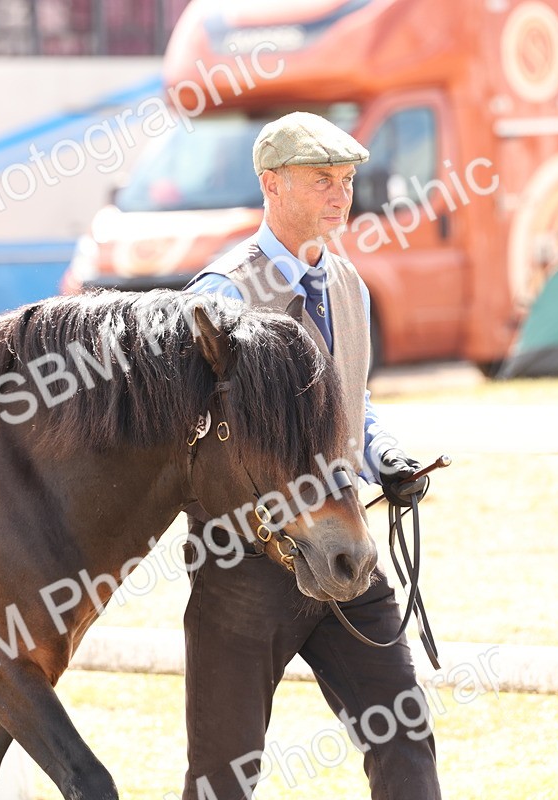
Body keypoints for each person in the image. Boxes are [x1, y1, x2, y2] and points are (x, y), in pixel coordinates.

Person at [181, 112, 441, 799]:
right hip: (245, 564)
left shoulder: (350, 286)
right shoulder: (222, 293)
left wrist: (385, 455)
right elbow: (191, 433)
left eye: (346, 179)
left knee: (404, 734)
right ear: (272, 184)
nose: (340, 193)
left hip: (345, 550)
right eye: (322, 179)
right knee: (222, 776)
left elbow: (354, 399)